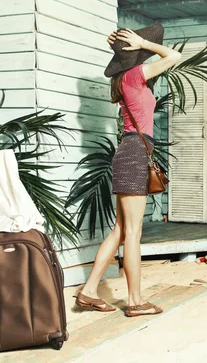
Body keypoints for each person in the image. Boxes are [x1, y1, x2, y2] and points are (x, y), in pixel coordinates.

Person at [75, 23, 181, 316]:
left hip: (128, 150)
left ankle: (88, 290)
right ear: (136, 54)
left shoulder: (127, 79)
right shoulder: (134, 75)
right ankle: (135, 302)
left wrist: (131, 45)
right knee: (133, 231)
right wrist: (143, 44)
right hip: (135, 151)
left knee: (121, 229)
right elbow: (173, 56)